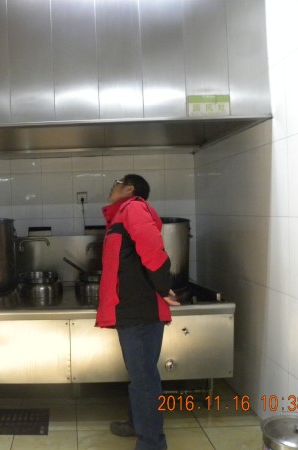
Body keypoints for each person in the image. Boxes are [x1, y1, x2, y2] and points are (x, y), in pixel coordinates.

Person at [96, 174, 180, 450]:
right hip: (131, 309)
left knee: (144, 379)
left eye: (116, 183)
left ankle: (152, 444)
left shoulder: (133, 208)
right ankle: (137, 424)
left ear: (129, 188)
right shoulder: (121, 214)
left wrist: (163, 287)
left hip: (140, 310)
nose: (112, 187)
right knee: (139, 376)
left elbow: (153, 251)